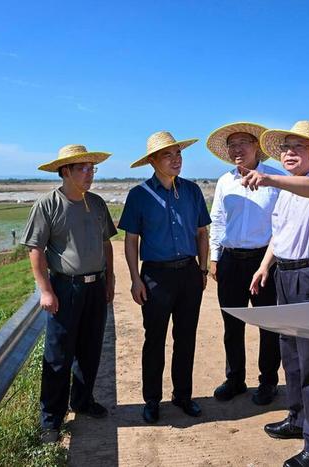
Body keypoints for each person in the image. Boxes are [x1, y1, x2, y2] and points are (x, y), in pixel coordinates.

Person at [242, 121, 309, 467]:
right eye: (285, 147)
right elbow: (280, 234)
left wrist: (269, 178)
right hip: (285, 275)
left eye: (297, 147)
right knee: (293, 357)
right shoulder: (288, 192)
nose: (288, 152)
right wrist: (264, 266)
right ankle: (299, 419)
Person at [21, 144, 117, 443]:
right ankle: (51, 419)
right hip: (65, 287)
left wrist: (110, 278)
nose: (90, 175)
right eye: (83, 169)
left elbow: (106, 244)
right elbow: (35, 250)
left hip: (95, 286)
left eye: (92, 169)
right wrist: (45, 290)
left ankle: (83, 401)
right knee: (59, 355)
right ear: (66, 172)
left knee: (90, 350)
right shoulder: (48, 205)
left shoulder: (97, 203)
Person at [118, 131, 211, 424]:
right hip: (155, 276)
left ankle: (183, 395)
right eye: (168, 155)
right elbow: (131, 240)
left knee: (186, 337)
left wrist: (203, 268)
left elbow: (202, 233)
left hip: (189, 273)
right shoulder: (139, 196)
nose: (176, 160)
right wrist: (135, 279)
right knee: (154, 339)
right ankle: (152, 400)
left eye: (178, 154)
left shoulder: (193, 192)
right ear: (153, 161)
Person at [206, 122, 285, 405]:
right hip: (230, 260)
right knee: (232, 324)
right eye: (232, 145)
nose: (237, 149)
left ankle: (268, 382)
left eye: (243, 143)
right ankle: (235, 379)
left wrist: (269, 263)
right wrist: (215, 258)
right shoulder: (224, 181)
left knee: (269, 325)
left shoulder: (276, 179)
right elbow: (217, 221)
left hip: (264, 261)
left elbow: (282, 225)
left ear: (257, 146)